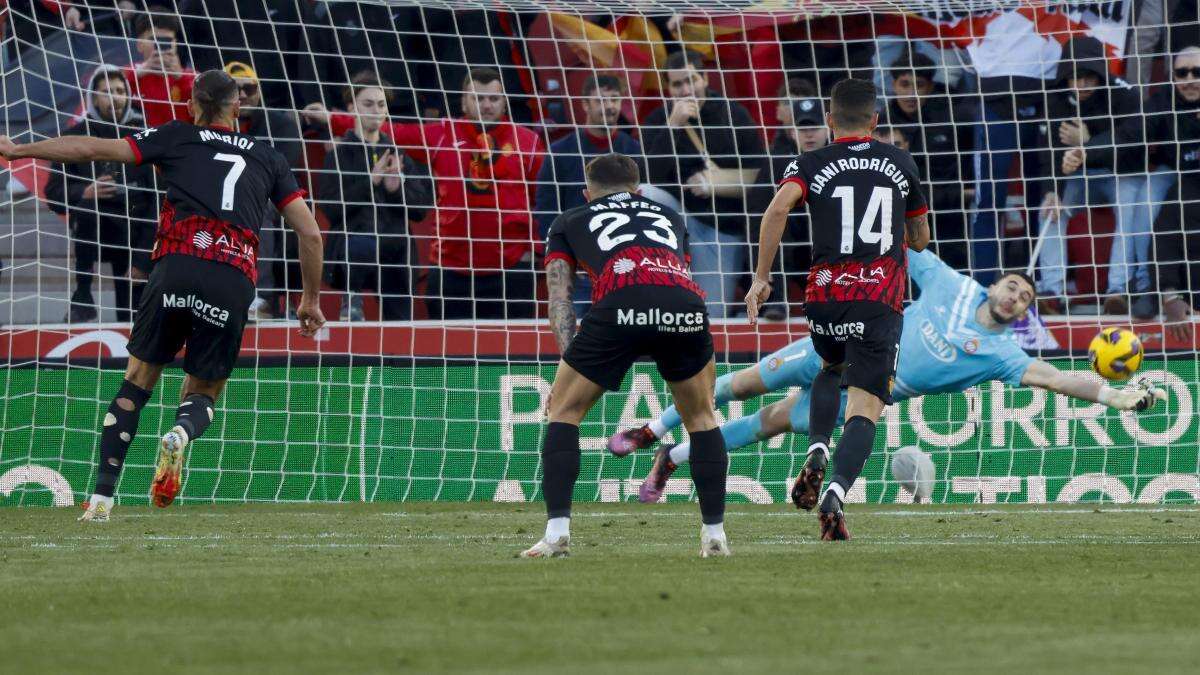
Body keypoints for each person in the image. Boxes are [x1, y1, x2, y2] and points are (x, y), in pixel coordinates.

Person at [0, 70, 326, 522]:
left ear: (192, 105)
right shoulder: (270, 158)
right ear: (236, 109)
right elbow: (310, 234)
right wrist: (309, 301)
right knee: (204, 392)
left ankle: (101, 500)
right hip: (232, 277)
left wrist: (19, 151)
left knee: (137, 381)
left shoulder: (175, 136)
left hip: (176, 265)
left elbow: (92, 147)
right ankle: (181, 433)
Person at [610, 249, 1167, 501]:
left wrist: (1115, 398)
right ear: (996, 284)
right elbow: (903, 241)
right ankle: (653, 430)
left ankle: (673, 459)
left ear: (1024, 314)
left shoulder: (1001, 354)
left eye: (1025, 298)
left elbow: (1055, 377)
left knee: (771, 422)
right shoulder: (950, 283)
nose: (1017, 296)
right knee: (745, 381)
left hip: (863, 390)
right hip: (840, 342)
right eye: (1013, 286)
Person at [745, 78, 930, 540]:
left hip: (824, 295)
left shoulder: (809, 162)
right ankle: (837, 492)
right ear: (876, 121)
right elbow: (921, 238)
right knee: (865, 407)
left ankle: (818, 447)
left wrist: (761, 278)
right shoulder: (901, 162)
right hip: (877, 298)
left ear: (829, 120)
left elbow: (775, 211)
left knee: (830, 365)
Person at [521, 153, 729, 558]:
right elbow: (674, 273)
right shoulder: (670, 216)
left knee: (564, 412)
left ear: (587, 191)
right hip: (684, 305)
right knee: (702, 418)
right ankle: (715, 536)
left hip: (621, 301)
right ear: (638, 190)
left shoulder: (568, 220)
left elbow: (560, 298)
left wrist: (571, 364)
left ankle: (556, 534)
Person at [388, 67, 545, 320]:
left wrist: (535, 248)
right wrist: (335, 122)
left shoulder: (528, 141)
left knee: (512, 354)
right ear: (463, 101)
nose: (486, 105)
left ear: (504, 101)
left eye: (493, 98)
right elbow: (390, 132)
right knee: (449, 354)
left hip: (513, 269)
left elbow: (545, 199)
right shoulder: (441, 134)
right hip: (451, 269)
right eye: (478, 98)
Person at [1065, 46, 1200, 335]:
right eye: (1181, 73)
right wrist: (1087, 151)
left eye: (1197, 72)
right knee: (1147, 201)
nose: (1189, 79)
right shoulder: (1163, 100)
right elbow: (1128, 134)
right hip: (1173, 170)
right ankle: (1149, 287)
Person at [641, 50, 765, 318]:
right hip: (678, 223)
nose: (686, 89)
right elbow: (649, 175)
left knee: (712, 316)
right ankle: (655, 269)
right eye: (677, 84)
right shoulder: (658, 119)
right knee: (644, 193)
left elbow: (760, 174)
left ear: (706, 78)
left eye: (691, 80)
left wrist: (716, 184)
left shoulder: (733, 114)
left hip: (722, 228)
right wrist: (673, 126)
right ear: (668, 88)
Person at [1034, 37, 1144, 317]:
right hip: (1076, 174)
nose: (1080, 86)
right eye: (1073, 78)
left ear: (1100, 74)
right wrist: (1051, 190)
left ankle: (1117, 291)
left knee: (1129, 210)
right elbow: (1047, 150)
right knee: (1049, 208)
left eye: (1087, 78)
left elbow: (1133, 143)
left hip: (1119, 172)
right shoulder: (1055, 97)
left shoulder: (1125, 93)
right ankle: (1052, 292)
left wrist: (1088, 144)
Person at [45, 66, 156, 323]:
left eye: (120, 91)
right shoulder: (73, 136)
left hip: (135, 234)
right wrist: (85, 191)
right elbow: (52, 194)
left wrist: (142, 258)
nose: (115, 97)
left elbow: (159, 201)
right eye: (107, 92)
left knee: (131, 319)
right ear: (93, 98)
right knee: (86, 208)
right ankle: (82, 296)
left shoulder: (145, 136)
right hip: (92, 230)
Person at [318, 72, 433, 321]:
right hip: (353, 249)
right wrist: (370, 182)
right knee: (361, 242)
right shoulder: (339, 155)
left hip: (396, 254)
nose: (376, 110)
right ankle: (352, 300)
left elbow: (421, 210)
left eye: (381, 104)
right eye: (368, 104)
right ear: (352, 108)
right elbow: (330, 208)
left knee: (402, 330)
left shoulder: (398, 154)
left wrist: (395, 190)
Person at [535, 74, 644, 313]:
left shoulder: (635, 151)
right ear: (584, 104)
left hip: (625, 268)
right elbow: (546, 211)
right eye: (601, 100)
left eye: (614, 99)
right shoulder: (560, 152)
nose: (609, 106)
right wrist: (564, 257)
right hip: (579, 270)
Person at [225, 61, 304, 320]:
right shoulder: (213, 124)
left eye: (250, 88)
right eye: (237, 90)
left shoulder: (282, 124)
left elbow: (282, 168)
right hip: (220, 197)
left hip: (269, 198)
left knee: (262, 207)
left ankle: (263, 296)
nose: (244, 95)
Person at [885, 51, 974, 272]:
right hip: (905, 215)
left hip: (952, 215)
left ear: (931, 86)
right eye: (904, 84)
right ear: (893, 84)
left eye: (919, 85)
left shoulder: (955, 117)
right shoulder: (882, 123)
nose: (911, 94)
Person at [749, 80, 829, 320]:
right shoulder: (777, 161)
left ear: (828, 128)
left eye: (815, 127)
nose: (809, 134)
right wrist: (761, 266)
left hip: (829, 238)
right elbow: (757, 209)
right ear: (792, 131)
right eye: (802, 128)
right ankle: (777, 300)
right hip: (794, 243)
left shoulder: (840, 160)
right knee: (776, 221)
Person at [122, 8, 196, 127]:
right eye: (155, 40)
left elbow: (204, 110)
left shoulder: (192, 77)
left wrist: (181, 78)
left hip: (180, 142)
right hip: (139, 141)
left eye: (167, 41)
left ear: (175, 44)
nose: (160, 46)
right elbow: (106, 93)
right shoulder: (127, 74)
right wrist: (137, 74)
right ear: (139, 45)